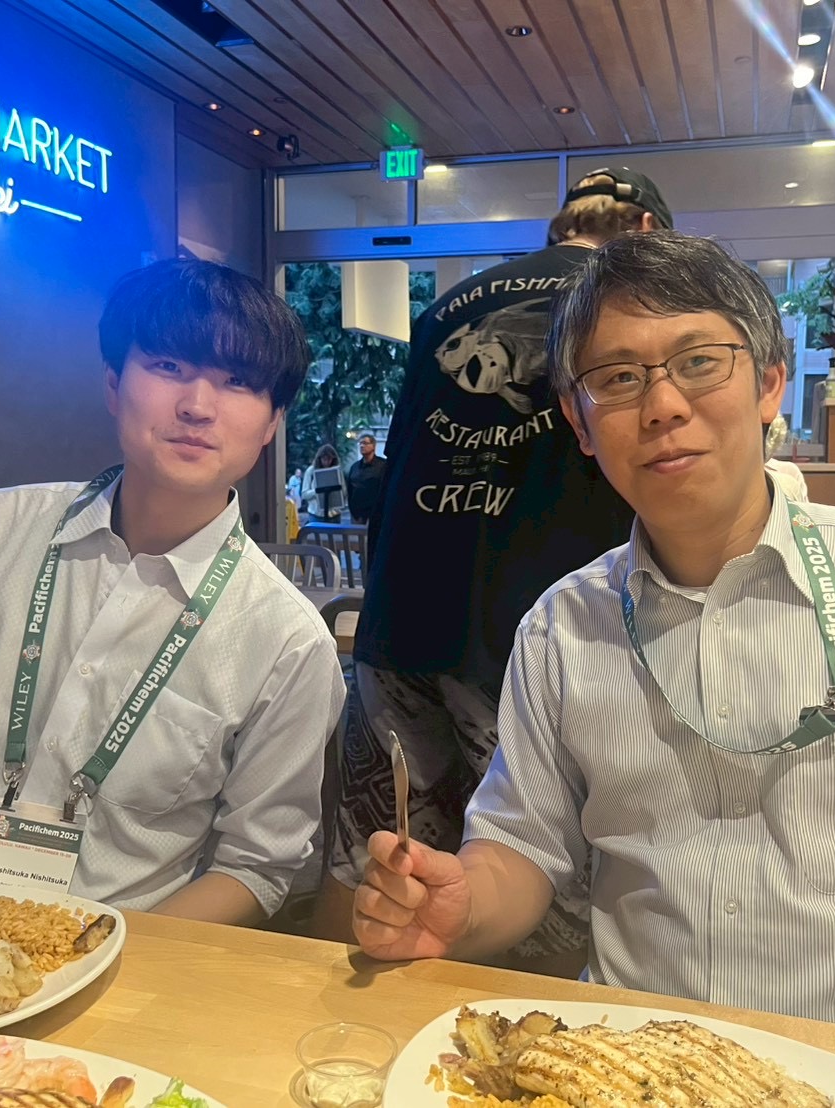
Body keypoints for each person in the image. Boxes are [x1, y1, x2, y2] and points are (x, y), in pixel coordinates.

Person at [351, 232, 835, 1099]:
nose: (661, 406)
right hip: (640, 1072)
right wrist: (458, 902)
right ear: (577, 422)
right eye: (617, 378)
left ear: (768, 382)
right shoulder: (561, 629)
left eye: (697, 362)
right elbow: (521, 849)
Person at [0, 259, 346, 921]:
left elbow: (255, 866)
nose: (197, 406)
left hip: (115, 957)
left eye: (237, 382)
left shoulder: (287, 640)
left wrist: (97, 959)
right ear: (114, 384)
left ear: (271, 422)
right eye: (168, 365)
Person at [316, 168, 674, 964]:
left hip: (402, 618)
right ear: (648, 232)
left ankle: (338, 1025)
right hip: (533, 632)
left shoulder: (450, 303)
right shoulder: (622, 301)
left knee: (388, 868)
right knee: (531, 881)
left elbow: (401, 468)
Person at [345, 433, 387, 525]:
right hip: (357, 514)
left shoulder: (383, 465)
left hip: (376, 513)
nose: (362, 446)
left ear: (373, 446)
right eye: (360, 443)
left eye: (365, 443)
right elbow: (350, 489)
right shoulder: (355, 467)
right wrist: (352, 510)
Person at [301, 443, 347, 521]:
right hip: (316, 514)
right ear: (319, 459)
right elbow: (304, 494)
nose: (326, 462)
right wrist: (317, 491)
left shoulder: (337, 471)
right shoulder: (311, 471)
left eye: (329, 459)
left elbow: (344, 491)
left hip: (334, 514)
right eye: (324, 459)